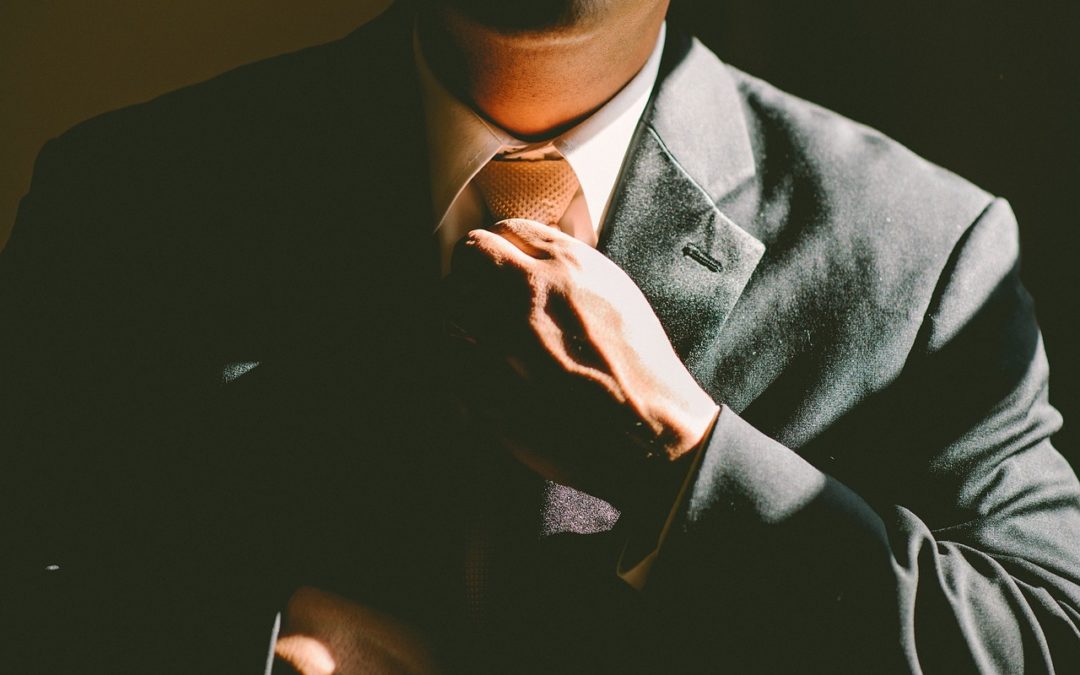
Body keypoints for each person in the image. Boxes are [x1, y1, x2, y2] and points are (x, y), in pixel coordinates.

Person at [3, 0, 1078, 672]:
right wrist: (242, 649)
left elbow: (1043, 639)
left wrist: (684, 453)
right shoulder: (131, 198)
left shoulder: (922, 248)